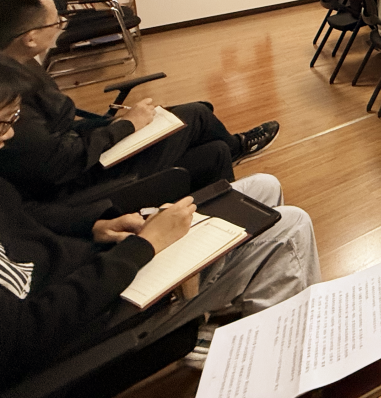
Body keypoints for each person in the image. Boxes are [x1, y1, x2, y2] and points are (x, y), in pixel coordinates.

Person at [0, 57, 320, 389]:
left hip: (98, 265)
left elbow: (25, 217)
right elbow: (28, 334)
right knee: (290, 227)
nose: (10, 134)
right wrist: (144, 247)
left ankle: (238, 322)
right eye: (3, 122)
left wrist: (93, 225)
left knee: (263, 188)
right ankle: (271, 376)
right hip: (101, 310)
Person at [0, 0, 278, 202]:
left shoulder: (22, 64)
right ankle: (239, 146)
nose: (60, 27)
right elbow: (60, 162)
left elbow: (61, 131)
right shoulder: (8, 98)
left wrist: (111, 124)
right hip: (83, 180)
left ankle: (227, 195)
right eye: (55, 23)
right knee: (197, 114)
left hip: (88, 154)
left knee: (215, 151)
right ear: (30, 37)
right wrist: (126, 126)